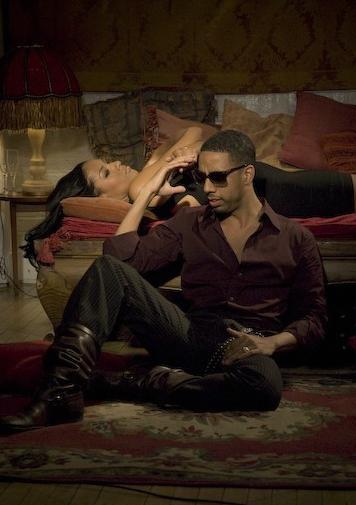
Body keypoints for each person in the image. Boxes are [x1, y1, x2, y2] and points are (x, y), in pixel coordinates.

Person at [1, 129, 327, 433]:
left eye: (217, 177)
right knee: (107, 268)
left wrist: (272, 343)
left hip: (247, 345)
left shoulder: (296, 238)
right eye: (201, 177)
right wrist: (147, 193)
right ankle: (59, 395)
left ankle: (140, 383)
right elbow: (119, 263)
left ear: (247, 174)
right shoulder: (190, 222)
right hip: (188, 335)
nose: (207, 188)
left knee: (264, 386)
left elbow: (315, 318)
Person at [23, 125, 356, 268]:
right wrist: (169, 160)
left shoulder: (149, 174)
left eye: (108, 161)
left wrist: (170, 155)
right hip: (278, 190)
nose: (116, 164)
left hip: (269, 179)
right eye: (105, 172)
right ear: (99, 196)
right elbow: (186, 155)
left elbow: (197, 133)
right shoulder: (139, 189)